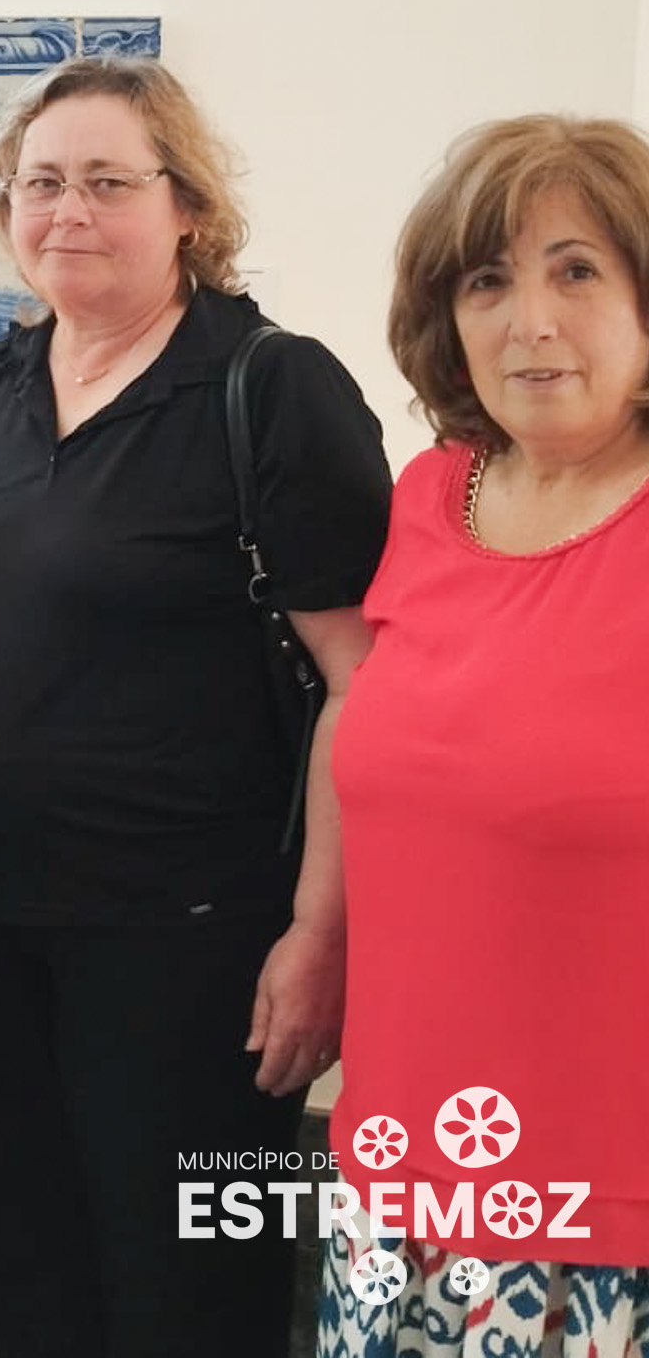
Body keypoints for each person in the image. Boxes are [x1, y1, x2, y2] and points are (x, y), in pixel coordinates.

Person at [0, 55, 392, 1358]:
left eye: (107, 183)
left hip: (192, 945)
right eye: (41, 183)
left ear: (186, 206)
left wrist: (324, 937)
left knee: (185, 1292)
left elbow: (363, 680)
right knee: (22, 1268)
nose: (67, 211)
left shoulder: (269, 389)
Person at [322, 115, 649, 1356]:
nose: (528, 320)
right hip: (398, 1166)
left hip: (605, 1202)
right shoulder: (428, 494)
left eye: (576, 270)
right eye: (486, 280)